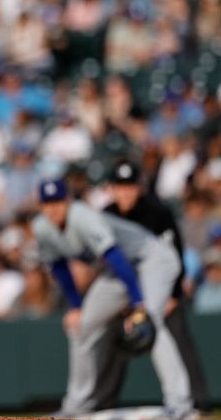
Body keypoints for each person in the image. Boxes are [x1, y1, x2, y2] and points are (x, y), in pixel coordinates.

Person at [31, 178, 193, 419]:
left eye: (57, 202)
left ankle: (180, 405)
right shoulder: (42, 227)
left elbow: (116, 258)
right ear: (41, 206)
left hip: (151, 257)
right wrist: (75, 306)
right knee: (81, 326)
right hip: (119, 271)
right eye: (47, 203)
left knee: (150, 322)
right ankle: (78, 405)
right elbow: (60, 266)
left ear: (68, 201)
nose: (53, 208)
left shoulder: (83, 217)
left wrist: (138, 305)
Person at [91, 159, 208, 412]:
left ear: (139, 187)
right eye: (120, 186)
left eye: (130, 186)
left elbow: (174, 255)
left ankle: (193, 401)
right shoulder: (106, 215)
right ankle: (101, 402)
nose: (125, 192)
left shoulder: (157, 212)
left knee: (173, 329)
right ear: (111, 188)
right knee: (114, 332)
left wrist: (174, 295)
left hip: (161, 288)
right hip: (127, 287)